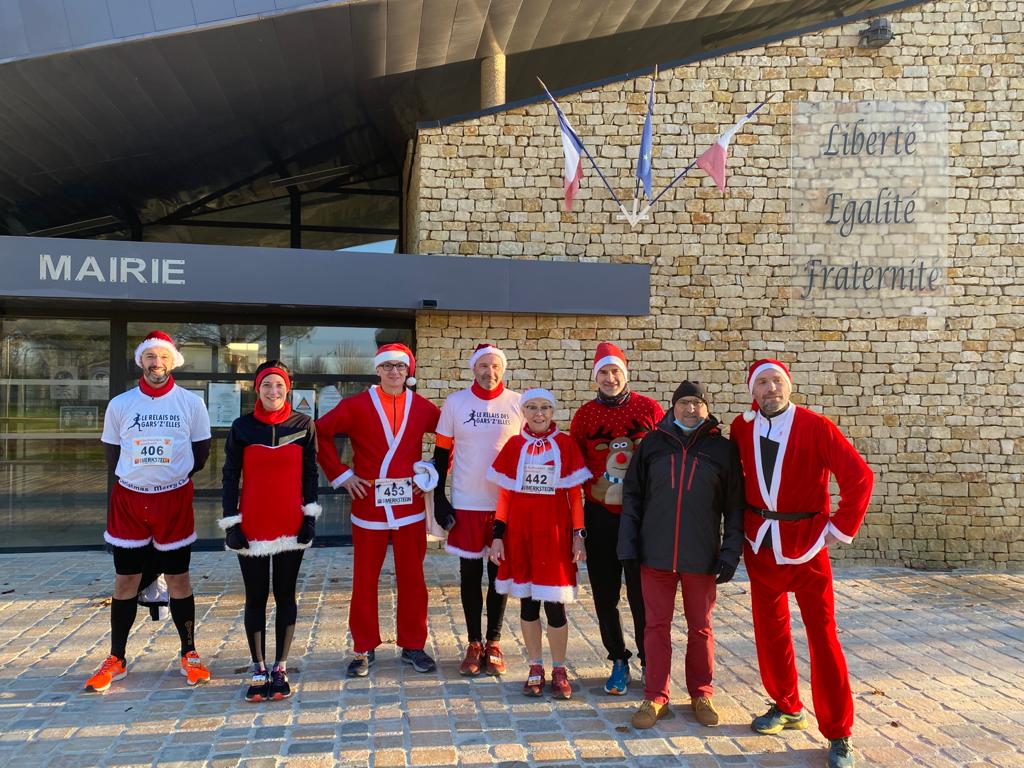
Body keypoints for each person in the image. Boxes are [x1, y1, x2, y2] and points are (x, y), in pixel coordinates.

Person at [730, 358, 873, 768]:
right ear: (752, 391)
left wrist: (837, 529)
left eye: (777, 381)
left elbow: (859, 477)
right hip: (761, 543)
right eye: (762, 383)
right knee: (770, 631)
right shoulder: (742, 428)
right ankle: (787, 704)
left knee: (823, 637)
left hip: (807, 545)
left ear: (788, 385)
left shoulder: (815, 426)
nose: (771, 388)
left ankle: (839, 731)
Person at [85, 331, 212, 692]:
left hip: (173, 501)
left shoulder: (191, 403)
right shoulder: (121, 404)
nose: (157, 363)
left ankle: (189, 653)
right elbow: (112, 454)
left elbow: (201, 454)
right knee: (125, 581)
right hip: (130, 501)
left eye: (164, 357)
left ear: (174, 362)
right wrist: (140, 477)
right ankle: (117, 658)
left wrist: (169, 476)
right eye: (151, 357)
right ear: (141, 360)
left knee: (179, 579)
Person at [619, 380, 744, 729]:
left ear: (707, 409)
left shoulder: (722, 450)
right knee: (655, 626)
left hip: (701, 557)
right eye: (684, 402)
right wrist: (628, 545)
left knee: (700, 628)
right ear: (672, 407)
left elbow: (735, 506)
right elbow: (633, 496)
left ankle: (701, 693)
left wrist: (731, 552)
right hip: (655, 554)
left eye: (697, 403)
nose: (691, 409)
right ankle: (655, 696)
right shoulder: (653, 444)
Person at [316, 343, 440, 677]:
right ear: (378, 370)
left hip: (409, 506)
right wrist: (342, 475)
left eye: (400, 366)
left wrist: (430, 472)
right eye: (388, 366)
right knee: (364, 579)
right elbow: (320, 433)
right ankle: (363, 646)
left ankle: (413, 644)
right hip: (369, 505)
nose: (394, 372)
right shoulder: (356, 405)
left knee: (413, 578)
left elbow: (449, 437)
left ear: (408, 371)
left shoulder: (421, 406)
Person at [221, 361, 320, 702]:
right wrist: (231, 522)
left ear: (287, 388)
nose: (273, 391)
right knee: (256, 597)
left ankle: (280, 667)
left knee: (286, 595)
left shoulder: (303, 424)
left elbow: (311, 474)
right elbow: (230, 475)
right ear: (257, 389)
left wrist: (310, 517)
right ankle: (259, 668)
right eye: (267, 385)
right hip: (252, 525)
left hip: (290, 524)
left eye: (279, 385)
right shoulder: (242, 427)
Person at [570, 341, 663, 694]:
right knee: (605, 593)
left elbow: (664, 460)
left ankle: (650, 659)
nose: (610, 378)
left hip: (642, 516)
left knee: (643, 594)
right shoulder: (584, 416)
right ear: (596, 377)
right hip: (600, 516)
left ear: (626, 374)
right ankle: (618, 658)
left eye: (615, 372)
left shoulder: (649, 409)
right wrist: (577, 528)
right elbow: (574, 470)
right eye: (604, 373)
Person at [486, 388, 590, 699]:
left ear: (553, 411)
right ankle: (535, 666)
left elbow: (575, 495)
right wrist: (497, 536)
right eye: (531, 407)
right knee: (528, 604)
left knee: (555, 607)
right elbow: (505, 495)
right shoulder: (514, 445)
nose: (539, 413)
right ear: (523, 412)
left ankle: (559, 668)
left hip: (554, 534)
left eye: (544, 407)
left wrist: (578, 535)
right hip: (521, 534)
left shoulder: (566, 444)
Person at [433, 344, 522, 676]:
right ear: (473, 369)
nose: (490, 372)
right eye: (483, 365)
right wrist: (439, 497)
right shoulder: (455, 403)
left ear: (503, 369)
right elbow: (441, 455)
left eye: (495, 365)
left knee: (499, 576)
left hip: (505, 505)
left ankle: (494, 642)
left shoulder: (518, 403)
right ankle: (473, 643)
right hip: (467, 502)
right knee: (469, 576)